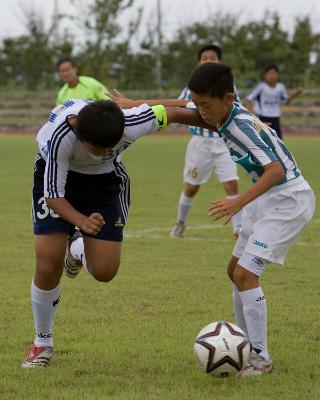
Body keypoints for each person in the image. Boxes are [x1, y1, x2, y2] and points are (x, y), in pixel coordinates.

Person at [22, 98, 213, 368]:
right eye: (97, 148)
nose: (103, 153)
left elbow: (172, 113)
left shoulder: (131, 122)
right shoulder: (61, 137)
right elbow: (53, 196)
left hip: (103, 184)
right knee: (47, 262)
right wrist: (82, 221)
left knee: (104, 271)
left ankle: (76, 248)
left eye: (109, 148)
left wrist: (223, 126)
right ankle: (42, 342)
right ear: (79, 131)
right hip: (56, 180)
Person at [187, 63, 315, 376]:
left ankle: (261, 358)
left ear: (228, 99)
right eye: (198, 104)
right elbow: (182, 109)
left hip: (288, 200)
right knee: (235, 271)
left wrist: (237, 202)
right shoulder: (222, 112)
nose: (201, 111)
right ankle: (243, 346)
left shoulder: (238, 125)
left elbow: (276, 171)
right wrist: (139, 107)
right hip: (267, 199)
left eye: (206, 105)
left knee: (246, 273)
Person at [112, 44, 243, 239]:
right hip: (200, 144)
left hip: (224, 144)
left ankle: (238, 229)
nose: (209, 61)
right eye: (204, 58)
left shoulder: (228, 88)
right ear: (199, 62)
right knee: (192, 186)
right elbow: (179, 104)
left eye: (212, 58)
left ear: (220, 61)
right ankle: (180, 223)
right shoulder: (193, 88)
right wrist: (136, 104)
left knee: (231, 185)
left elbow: (238, 111)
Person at [246, 64, 302, 140]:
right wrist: (251, 114)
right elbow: (250, 98)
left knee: (278, 141)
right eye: (269, 73)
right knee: (262, 140)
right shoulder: (261, 86)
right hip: (263, 117)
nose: (272, 76)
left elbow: (287, 100)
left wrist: (295, 94)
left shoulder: (280, 87)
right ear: (265, 75)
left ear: (277, 75)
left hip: (275, 118)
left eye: (274, 73)